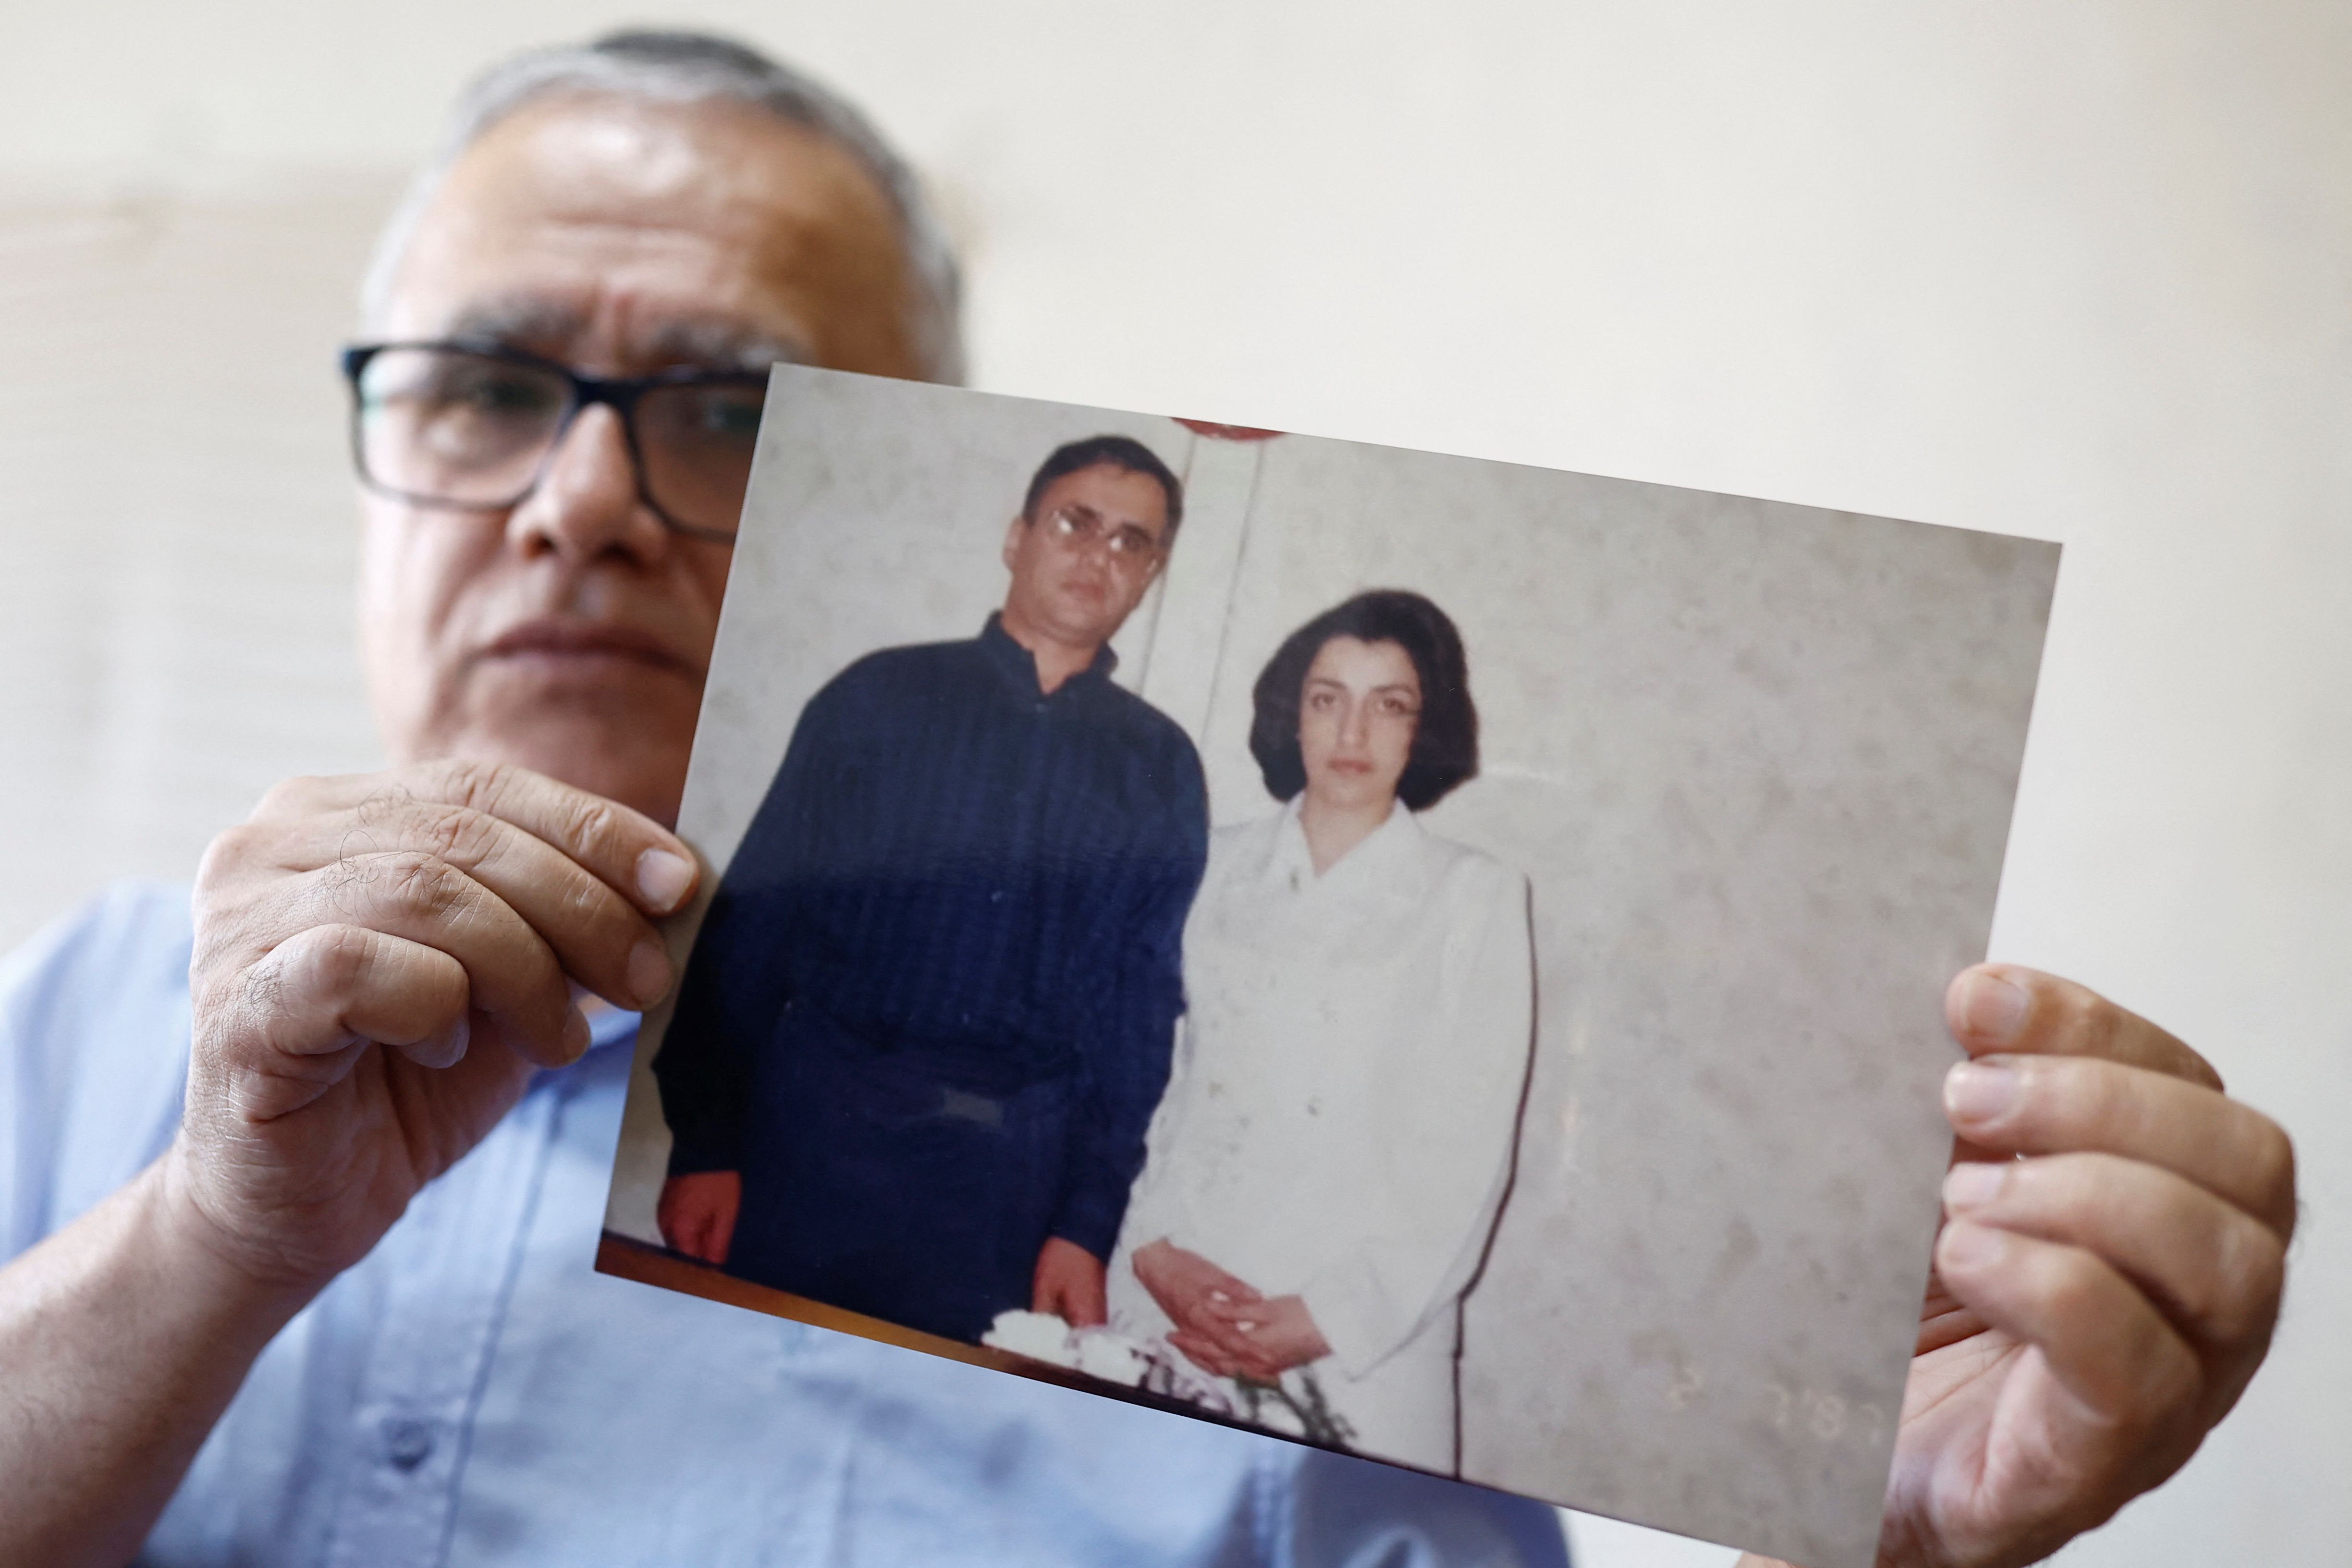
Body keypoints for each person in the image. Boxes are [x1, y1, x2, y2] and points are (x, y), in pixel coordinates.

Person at [0, 26, 2296, 1568]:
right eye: (490, 386)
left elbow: (1130, 1013)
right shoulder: (81, 1027)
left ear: (908, 475)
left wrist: (1814, 1487)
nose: (583, 495)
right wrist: (207, 1236)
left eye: (728, 409)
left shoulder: (1241, 1190)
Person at [651, 434, 1207, 1344]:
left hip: (1006, 1187)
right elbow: (751, 930)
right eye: (1077, 522)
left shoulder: (1161, 768)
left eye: (1131, 542)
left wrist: (1085, 1223)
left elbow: (1138, 1014)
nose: (1099, 555)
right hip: (813, 1141)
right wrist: (707, 1143)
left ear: (1150, 574)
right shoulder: (877, 696)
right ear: (1017, 536)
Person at [1111, 591, 1532, 1474]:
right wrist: (1152, 1251)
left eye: (1392, 703)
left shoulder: (1473, 897)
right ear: (1290, 714)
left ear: (1427, 727)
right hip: (1178, 1295)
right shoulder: (1207, 863)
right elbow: (1140, 1076)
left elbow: (1468, 1149)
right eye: (1328, 696)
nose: (1354, 731)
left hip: (1361, 1341)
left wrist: (1328, 1319)